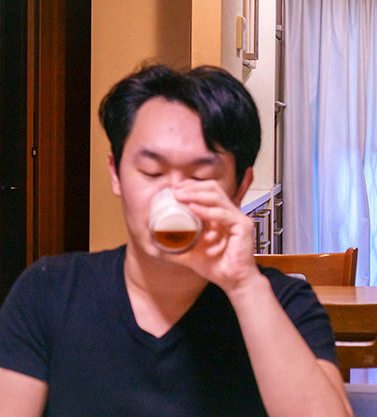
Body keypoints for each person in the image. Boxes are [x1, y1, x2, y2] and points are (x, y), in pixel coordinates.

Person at [0, 65, 352, 417]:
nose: (174, 194)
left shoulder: (283, 304)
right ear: (116, 173)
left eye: (200, 175)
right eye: (151, 172)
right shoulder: (49, 291)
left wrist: (244, 286)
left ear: (240, 188)